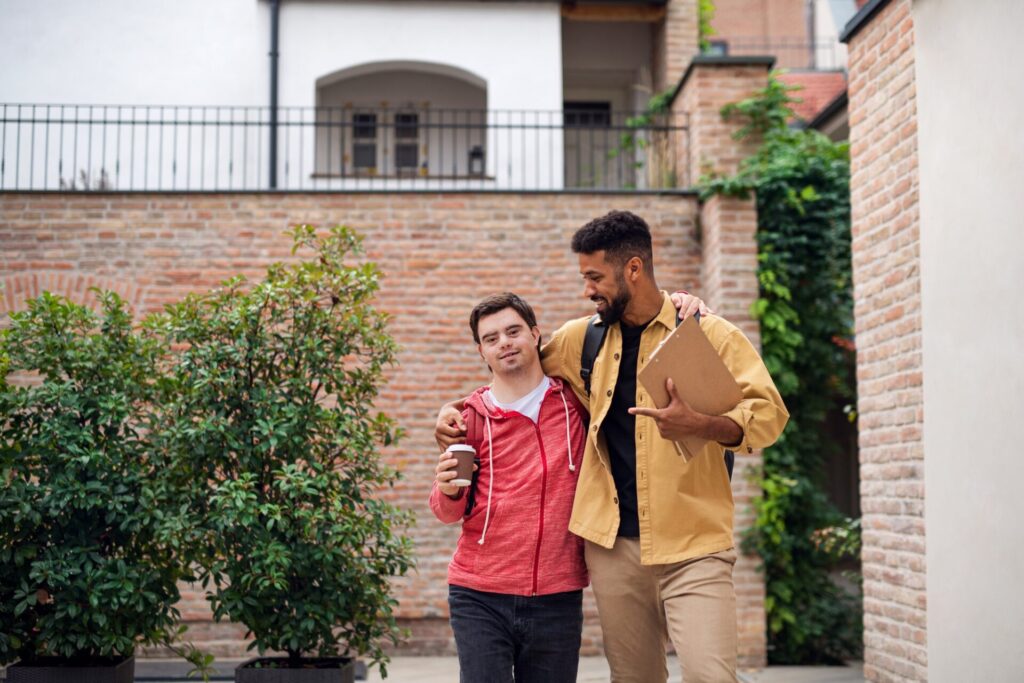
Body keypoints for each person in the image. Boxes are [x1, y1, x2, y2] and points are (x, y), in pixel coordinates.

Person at [437, 211, 789, 683]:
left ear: (634, 269)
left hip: (694, 543)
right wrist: (455, 410)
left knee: (712, 675)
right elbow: (514, 368)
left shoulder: (707, 333)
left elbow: (769, 417)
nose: (588, 289)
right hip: (613, 551)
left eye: (595, 277)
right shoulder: (583, 340)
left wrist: (701, 424)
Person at [429, 292, 589, 683]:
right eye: (491, 338)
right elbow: (448, 511)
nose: (504, 343)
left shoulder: (576, 403)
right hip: (479, 594)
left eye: (513, 331)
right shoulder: (468, 419)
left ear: (536, 335)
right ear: (482, 352)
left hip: (558, 594)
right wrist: (447, 489)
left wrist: (683, 302)